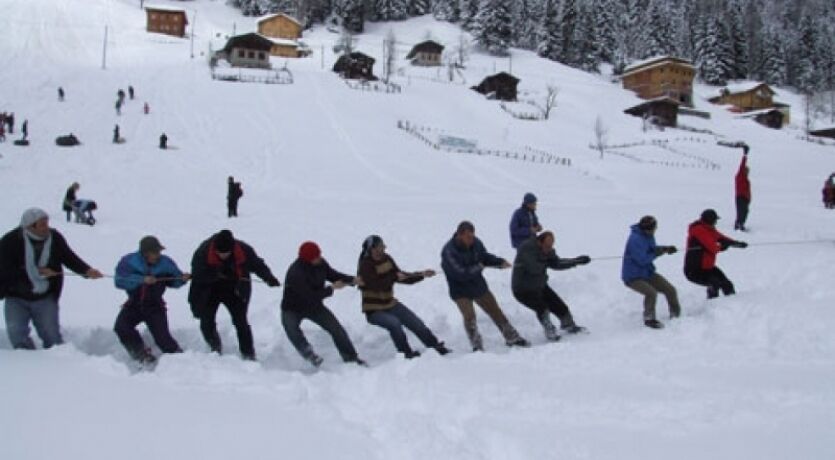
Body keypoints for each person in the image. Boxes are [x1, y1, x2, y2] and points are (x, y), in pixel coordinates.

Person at [0, 208, 103, 349]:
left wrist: (87, 271)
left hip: (45, 296)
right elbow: (5, 270)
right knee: (17, 333)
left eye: (47, 223)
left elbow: (69, 257)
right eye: (42, 224)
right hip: (15, 297)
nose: (46, 227)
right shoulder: (10, 241)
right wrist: (36, 271)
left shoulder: (55, 238)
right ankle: (27, 362)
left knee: (51, 335)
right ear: (29, 226)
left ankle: (56, 362)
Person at [188, 230, 280, 360]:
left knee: (241, 322)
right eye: (220, 252)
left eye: (226, 253)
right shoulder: (203, 252)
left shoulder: (243, 250)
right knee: (207, 322)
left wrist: (268, 277)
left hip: (235, 290)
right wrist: (216, 274)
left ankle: (248, 354)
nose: (223, 255)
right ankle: (215, 348)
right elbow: (197, 275)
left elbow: (257, 264)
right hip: (209, 290)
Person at [441, 221, 529, 351]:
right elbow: (460, 274)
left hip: (478, 285)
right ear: (459, 235)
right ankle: (477, 345)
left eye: (472, 236)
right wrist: (478, 267)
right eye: (468, 237)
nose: (471, 239)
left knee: (495, 311)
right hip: (460, 290)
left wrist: (499, 262)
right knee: (469, 316)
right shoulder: (448, 251)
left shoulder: (476, 242)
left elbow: (484, 256)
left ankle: (512, 337)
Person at [357, 235, 450, 359]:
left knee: (415, 322)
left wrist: (421, 274)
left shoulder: (387, 259)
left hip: (390, 303)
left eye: (382, 246)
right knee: (394, 324)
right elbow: (376, 285)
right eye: (380, 247)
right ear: (372, 249)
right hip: (373, 310)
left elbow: (400, 276)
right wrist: (394, 277)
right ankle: (406, 353)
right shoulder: (365, 265)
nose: (383, 249)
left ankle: (435, 346)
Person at [281, 241, 366, 367]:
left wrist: (352, 280)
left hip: (314, 307)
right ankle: (309, 354)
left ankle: (351, 358)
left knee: (336, 329)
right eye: (316, 257)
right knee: (292, 330)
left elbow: (332, 275)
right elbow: (310, 296)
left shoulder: (321, 263)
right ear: (308, 259)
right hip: (292, 308)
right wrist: (331, 289)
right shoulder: (296, 273)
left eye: (319, 254)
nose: (320, 258)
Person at [114, 236, 191, 364]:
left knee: (163, 339)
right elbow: (119, 281)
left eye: (159, 252)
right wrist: (141, 280)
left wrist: (182, 279)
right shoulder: (129, 261)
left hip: (155, 307)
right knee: (121, 328)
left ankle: (181, 360)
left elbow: (174, 281)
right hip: (133, 305)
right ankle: (141, 355)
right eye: (155, 252)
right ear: (145, 253)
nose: (158, 255)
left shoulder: (166, 263)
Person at [511, 231, 590, 341]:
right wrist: (547, 259)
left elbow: (556, 263)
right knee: (542, 308)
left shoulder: (547, 251)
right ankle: (550, 331)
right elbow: (534, 268)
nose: (550, 248)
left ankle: (568, 324)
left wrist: (575, 261)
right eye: (547, 246)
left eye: (551, 245)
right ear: (539, 242)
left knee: (559, 305)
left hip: (539, 285)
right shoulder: (527, 248)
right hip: (522, 289)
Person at [621, 216, 681, 329]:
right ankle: (649, 319)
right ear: (647, 229)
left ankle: (676, 316)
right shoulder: (635, 239)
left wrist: (665, 248)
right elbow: (642, 260)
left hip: (647, 273)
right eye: (654, 228)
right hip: (633, 277)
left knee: (670, 290)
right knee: (651, 293)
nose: (655, 230)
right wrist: (659, 253)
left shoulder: (648, 236)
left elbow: (651, 249)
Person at [684, 209, 747, 299]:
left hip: (708, 268)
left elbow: (721, 238)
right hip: (694, 270)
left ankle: (733, 304)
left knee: (727, 284)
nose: (716, 222)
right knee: (714, 283)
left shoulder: (709, 228)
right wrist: (722, 247)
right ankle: (712, 307)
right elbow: (712, 247)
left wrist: (736, 243)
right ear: (710, 220)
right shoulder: (698, 230)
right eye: (715, 220)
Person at [734, 152, 751, 231]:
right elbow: (742, 165)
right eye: (747, 171)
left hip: (745, 198)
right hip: (740, 196)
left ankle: (740, 224)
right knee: (741, 211)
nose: (748, 172)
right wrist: (745, 155)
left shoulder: (746, 179)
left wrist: (749, 199)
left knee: (745, 211)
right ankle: (738, 224)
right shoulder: (740, 175)